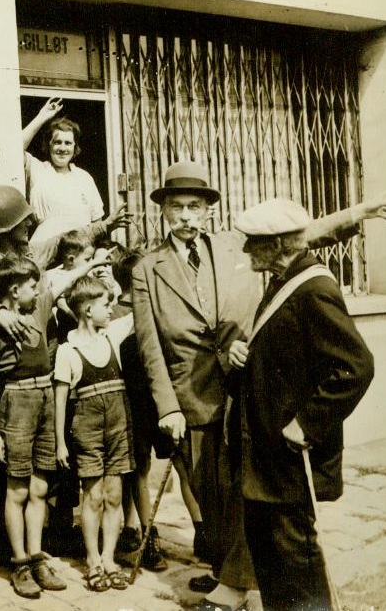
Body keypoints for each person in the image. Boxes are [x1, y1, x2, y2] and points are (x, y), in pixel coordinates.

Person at [132, 161, 386, 611]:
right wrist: (167, 406)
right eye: (178, 207)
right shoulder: (147, 268)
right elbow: (150, 344)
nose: (187, 216)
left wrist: (358, 213)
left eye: (196, 207)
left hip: (252, 396)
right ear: (164, 212)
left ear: (209, 211)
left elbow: (303, 236)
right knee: (216, 498)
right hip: (193, 397)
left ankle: (236, 585)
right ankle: (234, 575)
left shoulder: (240, 245)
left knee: (260, 499)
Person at [227, 199, 374, 611]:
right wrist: (246, 352)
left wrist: (307, 425)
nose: (245, 251)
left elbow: (356, 367)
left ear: (277, 245)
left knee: (298, 565)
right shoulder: (282, 280)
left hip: (291, 457)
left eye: (253, 243)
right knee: (272, 561)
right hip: (266, 455)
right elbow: (287, 352)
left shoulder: (313, 289)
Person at [0, 252, 108, 598]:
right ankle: (19, 562)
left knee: (39, 488)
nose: (39, 291)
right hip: (16, 403)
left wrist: (93, 263)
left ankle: (36, 557)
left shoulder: (39, 307)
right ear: (15, 289)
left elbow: (64, 281)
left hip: (46, 399)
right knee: (17, 490)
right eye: (33, 286)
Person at [0, 184, 127, 347]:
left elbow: (64, 242)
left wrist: (103, 226)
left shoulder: (31, 253)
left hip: (49, 352)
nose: (30, 223)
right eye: (23, 220)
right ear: (7, 228)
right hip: (17, 366)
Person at [53, 276, 134, 592]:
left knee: (114, 495)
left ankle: (110, 558)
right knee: (94, 495)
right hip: (87, 428)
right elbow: (61, 401)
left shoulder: (111, 336)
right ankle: (93, 560)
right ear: (87, 309)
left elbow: (141, 302)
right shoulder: (67, 350)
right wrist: (60, 442)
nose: (111, 308)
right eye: (105, 304)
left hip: (118, 424)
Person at [105, 248, 174, 573]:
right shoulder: (114, 316)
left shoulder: (157, 310)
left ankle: (139, 531)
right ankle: (143, 535)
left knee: (145, 471)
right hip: (129, 403)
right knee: (138, 471)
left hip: (154, 401)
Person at [21, 97, 105, 243]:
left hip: (80, 252)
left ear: (75, 147)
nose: (62, 148)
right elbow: (15, 147)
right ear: (49, 145)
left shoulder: (84, 178)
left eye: (68, 143)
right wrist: (42, 117)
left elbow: (98, 223)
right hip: (45, 250)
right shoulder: (38, 170)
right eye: (57, 142)